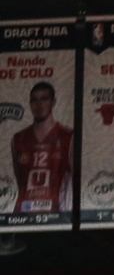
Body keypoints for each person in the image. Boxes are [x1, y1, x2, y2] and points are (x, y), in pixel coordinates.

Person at [10, 80, 72, 214]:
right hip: (23, 212)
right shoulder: (18, 138)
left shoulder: (68, 136)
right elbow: (20, 180)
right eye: (35, 100)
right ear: (30, 104)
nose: (39, 105)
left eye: (44, 99)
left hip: (56, 213)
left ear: (53, 102)